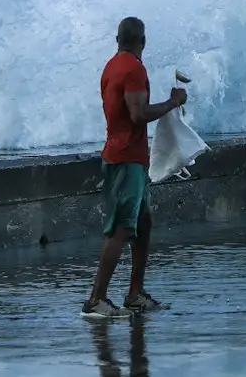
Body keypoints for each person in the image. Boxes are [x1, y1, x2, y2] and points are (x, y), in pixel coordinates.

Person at [83, 16, 187, 319]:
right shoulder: (133, 69)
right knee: (122, 228)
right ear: (143, 41)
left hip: (128, 157)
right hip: (125, 159)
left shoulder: (112, 66)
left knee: (142, 225)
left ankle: (135, 294)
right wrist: (172, 102)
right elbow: (139, 114)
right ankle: (96, 300)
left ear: (118, 40)